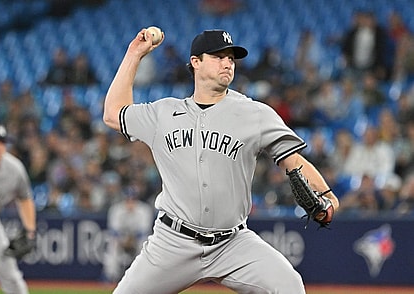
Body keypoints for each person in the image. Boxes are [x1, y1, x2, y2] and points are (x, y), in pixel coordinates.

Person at [103, 28, 339, 294]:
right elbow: (113, 114)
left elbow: (292, 160)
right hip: (173, 242)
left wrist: (328, 194)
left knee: (290, 286)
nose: (228, 63)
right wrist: (135, 54)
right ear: (196, 62)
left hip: (233, 242)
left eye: (231, 58)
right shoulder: (164, 113)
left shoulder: (255, 113)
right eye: (218, 56)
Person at [0, 121, 36, 294]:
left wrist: (30, 230)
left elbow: (25, 198)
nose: (1, 147)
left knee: (12, 277)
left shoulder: (13, 169)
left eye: (3, 143)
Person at [103, 185, 154, 282]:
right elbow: (114, 231)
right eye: (128, 198)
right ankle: (110, 276)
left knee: (144, 243)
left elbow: (144, 231)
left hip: (138, 240)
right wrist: (124, 240)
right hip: (121, 239)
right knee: (112, 243)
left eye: (132, 198)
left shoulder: (144, 209)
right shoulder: (116, 209)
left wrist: (131, 240)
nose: (130, 202)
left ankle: (143, 277)